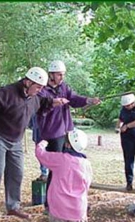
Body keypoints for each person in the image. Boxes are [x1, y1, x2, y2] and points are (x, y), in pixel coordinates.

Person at [0, 67, 69, 220]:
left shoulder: (34, 97)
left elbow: (42, 102)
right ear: (28, 82)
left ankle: (13, 206)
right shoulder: (8, 92)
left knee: (17, 172)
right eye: (37, 87)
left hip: (16, 139)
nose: (39, 90)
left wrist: (54, 102)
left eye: (41, 88)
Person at [37, 60, 100, 213]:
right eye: (59, 74)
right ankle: (50, 204)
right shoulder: (42, 90)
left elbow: (74, 99)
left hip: (68, 132)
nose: (62, 77)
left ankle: (72, 199)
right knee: (56, 168)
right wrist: (53, 103)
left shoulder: (63, 87)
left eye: (63, 74)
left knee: (73, 165)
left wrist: (88, 100)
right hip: (53, 133)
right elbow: (38, 106)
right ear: (51, 74)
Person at [115, 93, 135, 192]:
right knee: (128, 160)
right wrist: (117, 127)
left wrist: (127, 126)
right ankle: (129, 183)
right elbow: (120, 119)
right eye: (125, 106)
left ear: (133, 102)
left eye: (128, 105)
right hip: (127, 138)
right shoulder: (124, 109)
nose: (127, 107)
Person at [28, 113, 49, 181]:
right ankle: (44, 172)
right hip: (38, 126)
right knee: (40, 151)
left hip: (48, 127)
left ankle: (46, 172)